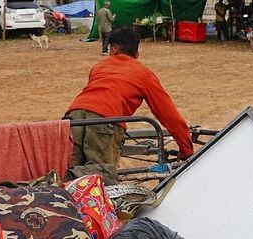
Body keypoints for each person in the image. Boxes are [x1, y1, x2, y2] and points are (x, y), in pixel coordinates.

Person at [65, 28, 194, 169]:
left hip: (73, 116)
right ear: (137, 52)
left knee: (68, 169)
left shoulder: (99, 67)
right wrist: (186, 149)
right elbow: (168, 114)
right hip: (106, 120)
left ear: (113, 49)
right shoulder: (143, 73)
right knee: (101, 173)